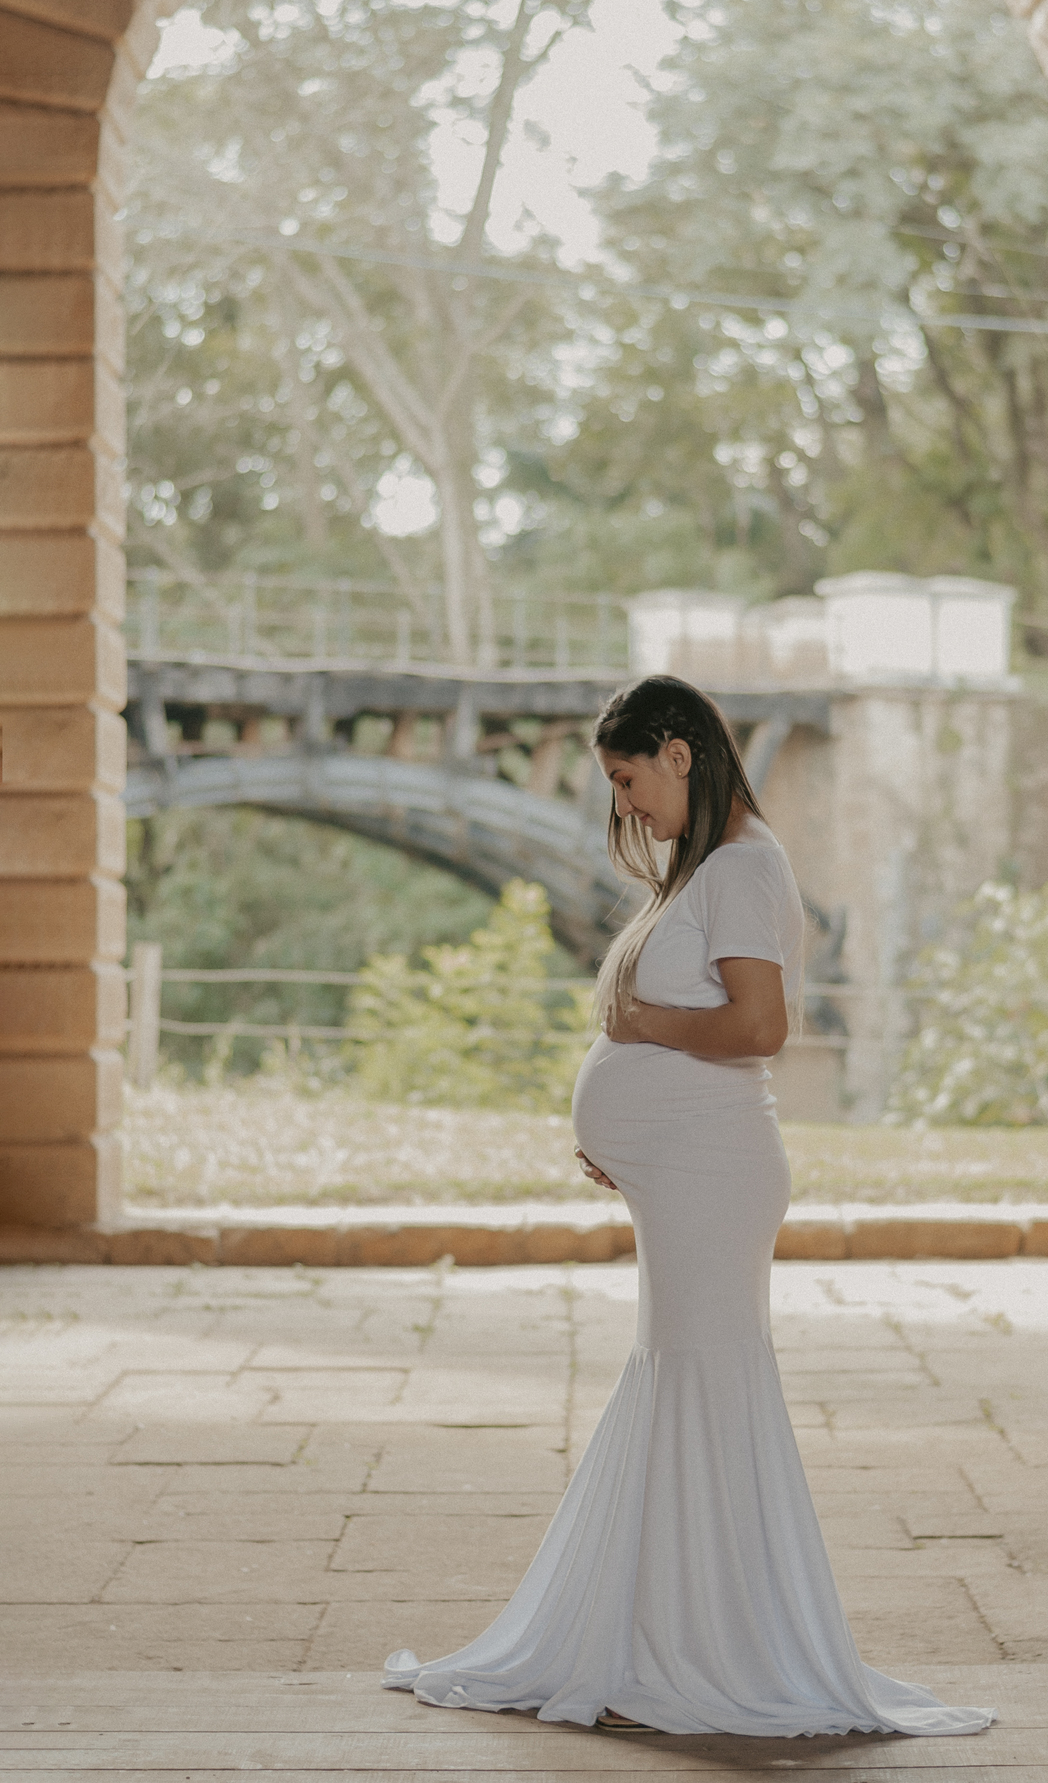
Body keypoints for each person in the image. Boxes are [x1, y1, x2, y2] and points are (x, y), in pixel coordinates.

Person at [384, 676, 994, 1740]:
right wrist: (636, 1135)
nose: (624, 804)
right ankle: (666, 1631)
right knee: (678, 1383)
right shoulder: (709, 867)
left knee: (705, 1384)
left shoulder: (746, 866)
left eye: (628, 779)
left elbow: (759, 1027)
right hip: (690, 1171)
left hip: (716, 1175)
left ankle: (717, 1647)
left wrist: (643, 1038)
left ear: (678, 751)